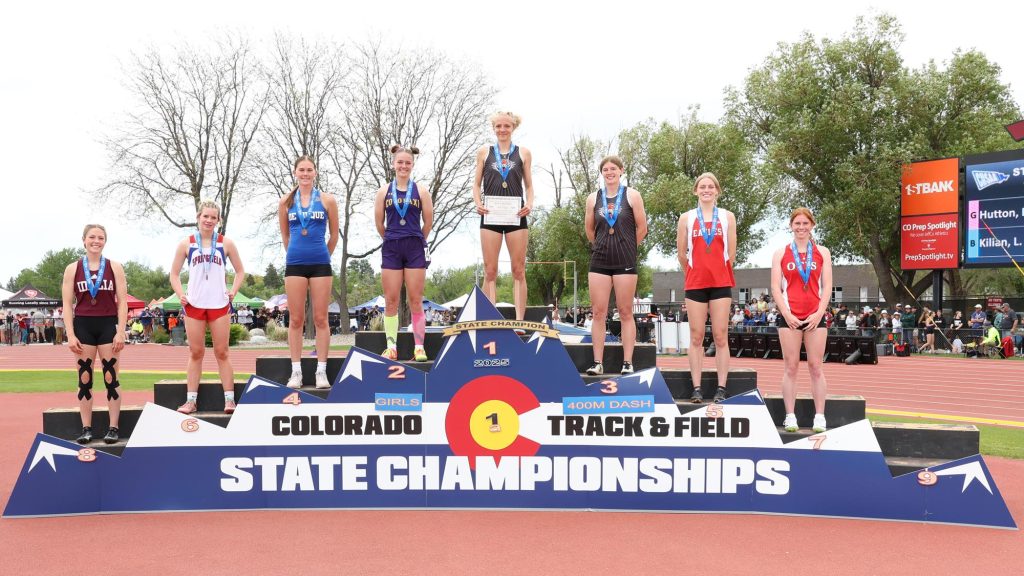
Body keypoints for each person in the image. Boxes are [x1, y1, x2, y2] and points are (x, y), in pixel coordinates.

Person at [169, 201, 246, 414]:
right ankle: (191, 401)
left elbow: (240, 271)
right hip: (194, 304)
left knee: (222, 352)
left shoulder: (226, 243)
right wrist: (180, 295)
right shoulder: (186, 244)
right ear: (198, 217)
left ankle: (229, 400)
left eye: (213, 217)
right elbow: (174, 274)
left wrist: (233, 291)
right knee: (196, 352)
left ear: (218, 220)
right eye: (206, 216)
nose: (209, 221)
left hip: (219, 304)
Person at [60, 224, 128, 444]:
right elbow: (67, 304)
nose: (96, 241)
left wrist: (121, 331)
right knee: (85, 378)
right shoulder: (73, 268)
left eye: (100, 237)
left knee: (111, 377)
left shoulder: (115, 267)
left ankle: (113, 428)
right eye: (92, 237)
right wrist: (70, 334)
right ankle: (86, 428)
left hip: (108, 325)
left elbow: (123, 302)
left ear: (105, 241)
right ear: (84, 240)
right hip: (83, 327)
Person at [278, 155, 339, 389]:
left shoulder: (327, 200)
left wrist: (323, 254)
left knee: (321, 319)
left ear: (315, 173)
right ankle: (296, 372)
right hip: (295, 264)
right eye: (301, 170)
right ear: (295, 172)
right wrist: (294, 252)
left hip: (321, 264)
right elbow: (285, 235)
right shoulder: (286, 202)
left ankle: (321, 371)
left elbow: (333, 235)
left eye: (309, 170)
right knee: (295, 319)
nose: (305, 174)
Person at [771, 208, 833, 433]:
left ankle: (819, 416)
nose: (801, 227)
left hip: (815, 316)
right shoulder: (781, 253)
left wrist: (819, 313)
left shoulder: (822, 252)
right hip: (789, 316)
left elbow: (827, 287)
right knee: (791, 366)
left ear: (812, 225)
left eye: (805, 223)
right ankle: (790, 416)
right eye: (797, 223)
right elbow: (775, 288)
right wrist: (786, 314)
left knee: (816, 367)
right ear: (791, 226)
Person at [584, 155, 648, 375]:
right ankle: (597, 362)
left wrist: (627, 247)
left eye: (613, 169)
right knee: (599, 312)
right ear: (601, 173)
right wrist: (604, 245)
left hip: (625, 262)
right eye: (605, 169)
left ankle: (628, 362)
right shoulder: (593, 198)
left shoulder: (632, 195)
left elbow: (642, 228)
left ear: (621, 171)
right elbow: (590, 231)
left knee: (625, 311)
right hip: (600, 260)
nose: (609, 172)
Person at [676, 172, 736, 403]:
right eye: (702, 187)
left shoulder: (727, 217)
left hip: (721, 282)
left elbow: (731, 253)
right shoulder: (686, 218)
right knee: (696, 336)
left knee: (721, 336)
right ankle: (697, 388)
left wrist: (717, 270)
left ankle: (721, 388)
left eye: (711, 186)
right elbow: (682, 254)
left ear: (717, 191)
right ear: (696, 191)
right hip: (695, 283)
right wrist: (694, 271)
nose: (707, 190)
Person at [473, 111, 534, 321]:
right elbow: (476, 184)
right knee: (490, 270)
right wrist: (478, 202)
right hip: (490, 215)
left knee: (518, 270)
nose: (502, 130)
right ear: (493, 128)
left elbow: (529, 185)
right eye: (498, 126)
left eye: (506, 126)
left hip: (516, 215)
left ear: (513, 127)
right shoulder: (484, 152)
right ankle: (489, 318)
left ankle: (519, 320)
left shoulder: (523, 153)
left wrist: (530, 203)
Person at [374, 145, 434, 361]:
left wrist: (417, 237)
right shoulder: (383, 191)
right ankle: (391, 346)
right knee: (390, 300)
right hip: (391, 247)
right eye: (400, 162)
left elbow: (428, 222)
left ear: (412, 165)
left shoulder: (421, 191)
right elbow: (379, 223)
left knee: (415, 299)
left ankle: (419, 346)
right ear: (393, 164)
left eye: (407, 163)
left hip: (414, 246)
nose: (403, 166)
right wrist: (391, 237)